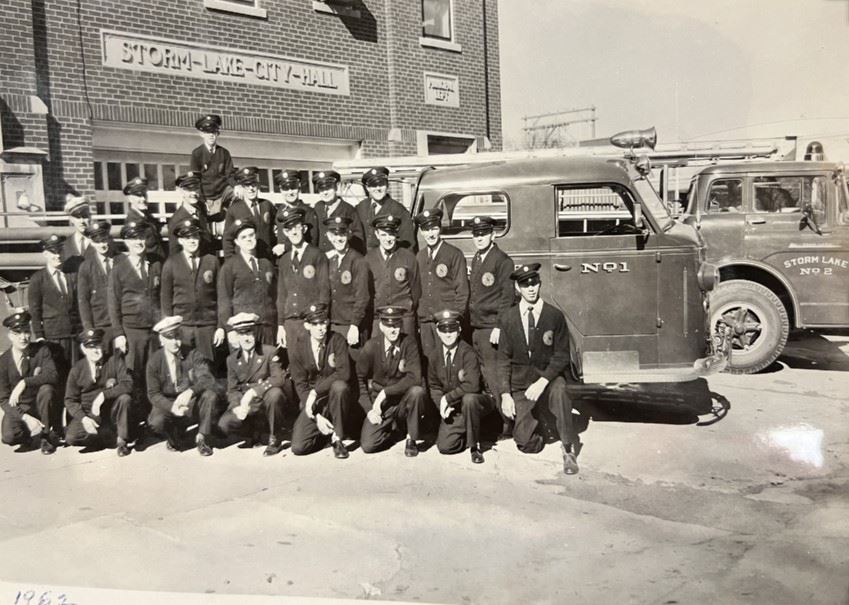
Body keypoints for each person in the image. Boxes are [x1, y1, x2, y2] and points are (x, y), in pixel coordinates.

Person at [496, 264, 580, 475]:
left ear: (540, 284)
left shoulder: (554, 316)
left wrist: (543, 381)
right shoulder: (508, 318)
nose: (531, 288)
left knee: (561, 390)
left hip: (547, 381)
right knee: (526, 443)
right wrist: (506, 394)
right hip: (522, 385)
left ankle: (568, 448)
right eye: (525, 284)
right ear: (518, 288)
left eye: (534, 283)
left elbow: (561, 355)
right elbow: (503, 359)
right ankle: (543, 423)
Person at [467, 216, 516, 433]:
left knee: (495, 375)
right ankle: (495, 419)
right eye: (476, 234)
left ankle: (506, 423)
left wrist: (499, 326)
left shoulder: (502, 261)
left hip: (491, 327)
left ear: (493, 235)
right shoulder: (478, 258)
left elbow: (507, 298)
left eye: (483, 234)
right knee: (485, 374)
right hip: (478, 326)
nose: (479, 238)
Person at [146, 316, 222, 456]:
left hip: (190, 403)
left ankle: (202, 437)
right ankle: (174, 438)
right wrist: (171, 407)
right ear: (161, 340)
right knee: (156, 421)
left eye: (177, 336)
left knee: (210, 396)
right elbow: (153, 394)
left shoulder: (193, 354)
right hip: (169, 403)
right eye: (170, 338)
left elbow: (207, 379)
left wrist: (190, 392)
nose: (175, 342)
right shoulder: (154, 361)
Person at [357, 306, 427, 457]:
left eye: (396, 325)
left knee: (417, 392)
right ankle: (393, 430)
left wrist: (386, 392)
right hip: (381, 405)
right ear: (381, 326)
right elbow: (359, 379)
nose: (393, 330)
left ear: (401, 325)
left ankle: (411, 438)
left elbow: (415, 377)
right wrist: (369, 410)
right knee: (368, 445)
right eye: (388, 326)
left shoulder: (409, 343)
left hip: (402, 401)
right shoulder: (371, 346)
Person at [218, 313, 288, 456]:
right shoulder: (231, 360)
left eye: (249, 332)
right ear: (236, 336)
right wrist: (237, 406)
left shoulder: (269, 351)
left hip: (264, 402)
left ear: (254, 333)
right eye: (241, 333)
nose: (246, 338)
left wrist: (253, 392)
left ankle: (275, 438)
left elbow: (279, 378)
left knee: (275, 394)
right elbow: (232, 390)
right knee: (224, 425)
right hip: (247, 406)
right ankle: (253, 432)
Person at [427, 310, 492, 464]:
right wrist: (441, 405)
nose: (448, 334)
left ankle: (474, 446)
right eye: (444, 330)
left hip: (478, 401)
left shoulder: (467, 352)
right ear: (437, 331)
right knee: (445, 447)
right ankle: (470, 428)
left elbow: (473, 385)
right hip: (457, 407)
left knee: (469, 400)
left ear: (460, 330)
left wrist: (447, 398)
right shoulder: (434, 356)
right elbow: (434, 386)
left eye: (452, 329)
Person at [289, 304, 352, 459]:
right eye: (315, 324)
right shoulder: (298, 347)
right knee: (299, 447)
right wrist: (316, 416)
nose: (320, 328)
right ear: (307, 325)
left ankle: (337, 438)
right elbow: (300, 383)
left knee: (340, 387)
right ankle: (324, 435)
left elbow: (343, 373)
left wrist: (315, 391)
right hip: (314, 403)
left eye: (323, 323)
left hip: (334, 398)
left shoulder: (337, 340)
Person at [107, 221, 162, 392]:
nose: (138, 242)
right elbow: (113, 303)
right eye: (133, 239)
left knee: (155, 372)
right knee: (133, 373)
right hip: (132, 331)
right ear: (126, 242)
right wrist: (119, 334)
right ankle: (137, 415)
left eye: (141, 237)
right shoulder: (119, 270)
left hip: (154, 330)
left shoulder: (156, 265)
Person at [161, 218, 224, 363]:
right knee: (184, 367)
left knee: (209, 368)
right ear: (180, 241)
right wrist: (169, 332)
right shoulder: (171, 264)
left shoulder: (211, 261)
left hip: (207, 326)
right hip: (182, 327)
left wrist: (220, 327)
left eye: (195, 236)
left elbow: (221, 297)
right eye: (187, 237)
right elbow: (165, 299)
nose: (192, 241)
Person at [63, 328, 133, 456]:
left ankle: (122, 440)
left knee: (125, 398)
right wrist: (84, 419)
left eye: (98, 345)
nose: (95, 350)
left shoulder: (114, 360)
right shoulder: (77, 369)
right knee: (72, 437)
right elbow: (70, 400)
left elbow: (128, 384)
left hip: (111, 410)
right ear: (83, 349)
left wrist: (104, 395)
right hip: (90, 413)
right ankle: (106, 436)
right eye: (90, 347)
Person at [0, 311, 60, 454]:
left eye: (26, 331)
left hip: (41, 404)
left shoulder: (41, 350)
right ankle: (27, 433)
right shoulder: (3, 362)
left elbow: (53, 375)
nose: (23, 337)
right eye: (17, 333)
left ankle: (46, 436)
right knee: (9, 436)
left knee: (47, 390)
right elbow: (3, 399)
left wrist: (25, 382)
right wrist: (25, 418)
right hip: (22, 407)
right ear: (10, 336)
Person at [414, 208, 469, 363]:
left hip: (447, 322)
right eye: (426, 230)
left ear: (440, 229)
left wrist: (455, 319)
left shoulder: (454, 254)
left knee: (450, 361)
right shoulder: (420, 256)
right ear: (421, 232)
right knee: (430, 362)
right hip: (426, 322)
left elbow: (462, 290)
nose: (430, 234)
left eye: (434, 229)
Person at [217, 218, 278, 346]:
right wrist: (230, 330)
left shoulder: (266, 264)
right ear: (237, 242)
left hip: (268, 327)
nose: (249, 239)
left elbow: (275, 296)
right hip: (243, 330)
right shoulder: (229, 267)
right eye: (243, 237)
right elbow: (224, 300)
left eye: (251, 235)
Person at [276, 207, 330, 349]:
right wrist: (281, 325)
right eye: (289, 229)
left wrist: (319, 322)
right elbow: (282, 295)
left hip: (310, 322)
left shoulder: (317, 255)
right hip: (290, 324)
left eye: (297, 227)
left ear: (304, 229)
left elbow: (324, 292)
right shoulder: (284, 260)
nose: (294, 232)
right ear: (285, 233)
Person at [28, 234, 82, 371]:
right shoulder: (38, 279)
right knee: (58, 373)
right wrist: (39, 336)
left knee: (75, 372)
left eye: (59, 251)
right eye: (53, 252)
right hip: (53, 336)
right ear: (45, 254)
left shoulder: (71, 276)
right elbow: (35, 311)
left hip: (74, 335)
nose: (57, 256)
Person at [365, 215, 420, 338]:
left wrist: (407, 307)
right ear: (377, 234)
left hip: (404, 318)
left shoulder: (408, 257)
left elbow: (416, 290)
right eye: (383, 235)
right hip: (379, 318)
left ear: (396, 234)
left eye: (391, 234)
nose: (388, 239)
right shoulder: (368, 259)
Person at [323, 216, 370, 351]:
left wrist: (355, 325)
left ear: (348, 234)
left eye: (342, 234)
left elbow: (362, 297)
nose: (339, 239)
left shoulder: (358, 261)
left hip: (350, 325)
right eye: (335, 234)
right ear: (329, 236)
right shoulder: (327, 259)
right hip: (331, 324)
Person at [355, 167, 415, 251]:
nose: (378, 188)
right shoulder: (360, 208)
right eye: (373, 185)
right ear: (367, 188)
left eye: (381, 184)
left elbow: (408, 245)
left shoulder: (399, 211)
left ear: (387, 185)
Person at [224, 166, 276, 260]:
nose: (251, 189)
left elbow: (277, 229)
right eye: (246, 185)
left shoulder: (267, 205)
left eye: (253, 184)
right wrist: (230, 262)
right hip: (244, 261)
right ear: (242, 188)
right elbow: (227, 239)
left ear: (258, 185)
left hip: (267, 259)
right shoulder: (234, 210)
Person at [189, 113, 234, 219]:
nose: (211, 135)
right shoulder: (197, 153)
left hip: (222, 194)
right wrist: (203, 201)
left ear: (218, 133)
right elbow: (196, 180)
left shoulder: (224, 153)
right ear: (201, 134)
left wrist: (237, 187)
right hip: (206, 196)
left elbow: (230, 175)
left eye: (214, 132)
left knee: (240, 194)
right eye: (207, 132)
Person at [312, 170, 365, 254]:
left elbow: (358, 238)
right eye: (321, 189)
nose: (325, 192)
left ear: (336, 186)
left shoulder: (348, 210)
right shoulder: (318, 208)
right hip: (321, 259)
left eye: (329, 188)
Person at [272, 169, 319, 256]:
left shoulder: (308, 212)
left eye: (293, 187)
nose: (290, 192)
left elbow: (312, 243)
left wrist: (286, 247)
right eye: (286, 188)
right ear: (281, 190)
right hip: (283, 263)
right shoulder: (279, 211)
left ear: (299, 187)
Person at [167, 172, 215, 255]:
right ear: (181, 191)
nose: (193, 193)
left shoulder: (200, 211)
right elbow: (175, 254)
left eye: (196, 188)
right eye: (189, 189)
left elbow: (207, 240)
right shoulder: (176, 220)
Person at [124, 176, 167, 262]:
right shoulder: (133, 221)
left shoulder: (145, 215)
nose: (143, 199)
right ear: (130, 198)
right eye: (138, 196)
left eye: (144, 195)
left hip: (159, 261)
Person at [62, 194, 94, 273]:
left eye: (85, 216)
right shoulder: (65, 245)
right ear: (71, 220)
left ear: (90, 217)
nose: (82, 221)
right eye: (77, 217)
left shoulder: (99, 241)